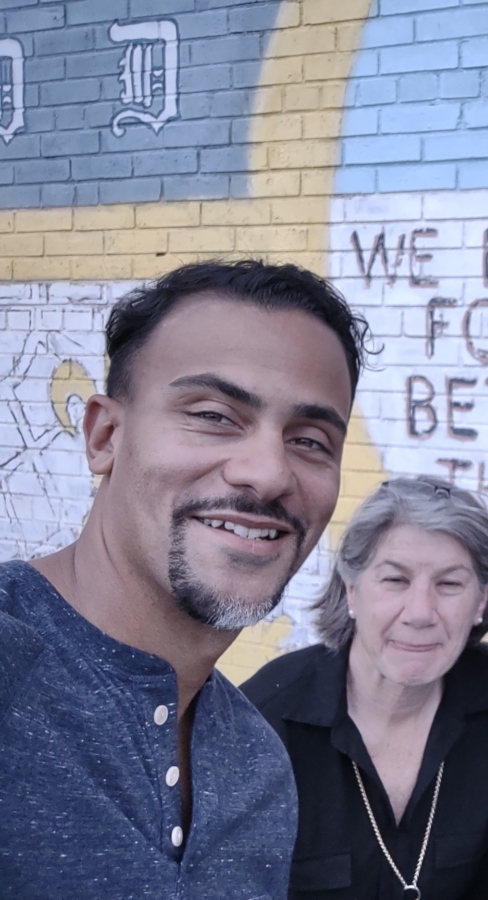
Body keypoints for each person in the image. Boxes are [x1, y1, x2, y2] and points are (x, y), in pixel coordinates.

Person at [0, 261, 369, 897]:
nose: (268, 473)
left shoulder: (259, 769)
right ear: (105, 436)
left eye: (310, 440)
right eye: (214, 415)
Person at [242, 477, 488, 899]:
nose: (420, 613)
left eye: (450, 584)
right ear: (352, 589)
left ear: (482, 597)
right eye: (395, 580)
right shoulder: (262, 721)